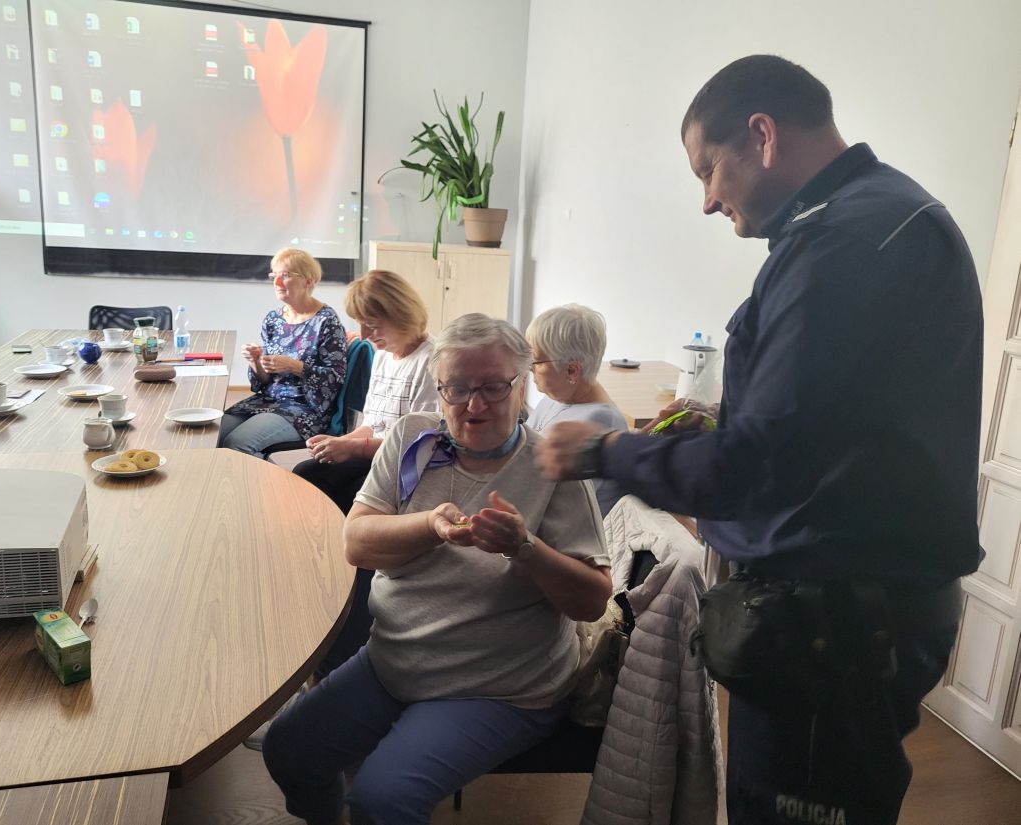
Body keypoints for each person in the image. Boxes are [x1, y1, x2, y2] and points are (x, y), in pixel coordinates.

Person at [535, 55, 982, 825]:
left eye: (708, 169)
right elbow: (839, 430)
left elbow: (752, 469)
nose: (708, 200)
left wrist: (604, 453)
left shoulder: (841, 248)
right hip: (851, 616)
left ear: (763, 136)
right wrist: (726, 421)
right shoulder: (889, 215)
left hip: (833, 630)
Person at [263, 313, 611, 825]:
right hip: (395, 658)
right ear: (439, 388)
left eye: (493, 387)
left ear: (521, 388)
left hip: (498, 686)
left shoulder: (553, 467)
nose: (474, 405)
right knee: (289, 750)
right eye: (458, 388)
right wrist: (430, 525)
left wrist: (525, 547)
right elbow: (357, 544)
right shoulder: (413, 437)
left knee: (382, 800)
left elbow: (593, 601)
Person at [293, 269, 440, 514]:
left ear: (401, 316)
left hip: (407, 466)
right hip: (377, 456)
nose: (363, 335)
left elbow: (419, 447)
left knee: (350, 496)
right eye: (360, 324)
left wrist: (353, 447)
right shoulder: (383, 355)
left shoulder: (431, 362)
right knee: (306, 474)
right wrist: (338, 442)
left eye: (371, 325)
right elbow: (372, 424)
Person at [219, 248, 347, 457]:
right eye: (274, 276)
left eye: (285, 275)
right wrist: (255, 361)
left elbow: (335, 378)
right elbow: (263, 382)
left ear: (308, 281)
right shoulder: (273, 319)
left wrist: (295, 366)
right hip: (268, 400)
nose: (277, 283)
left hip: (304, 408)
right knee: (212, 433)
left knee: (236, 444)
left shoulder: (326, 321)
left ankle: (268, 479)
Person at [526, 304, 628, 516]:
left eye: (536, 361)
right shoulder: (556, 397)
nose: (529, 368)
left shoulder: (599, 421)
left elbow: (562, 502)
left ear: (571, 370)